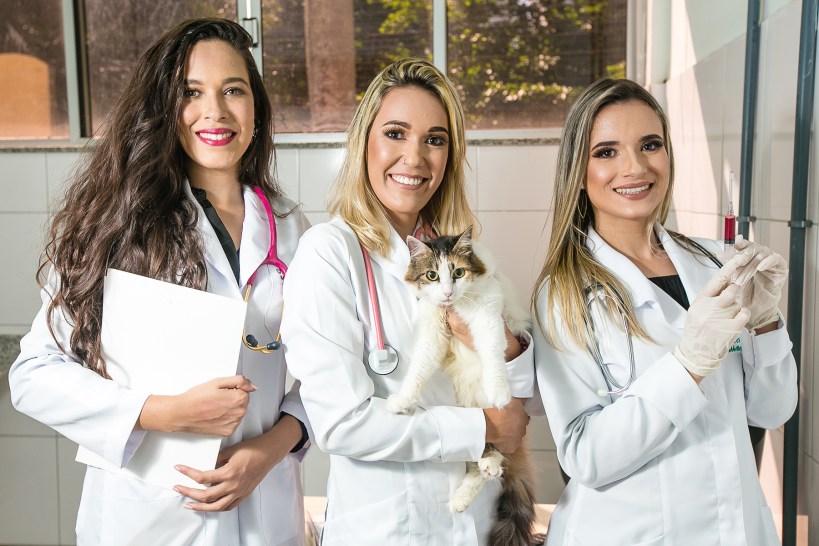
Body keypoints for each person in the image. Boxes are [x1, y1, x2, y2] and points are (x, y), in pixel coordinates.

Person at [9, 18, 310, 546]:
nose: (215, 111)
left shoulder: (290, 226)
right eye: (191, 92)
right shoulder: (116, 225)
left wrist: (269, 451)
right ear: (163, 108)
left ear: (256, 107)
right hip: (149, 518)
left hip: (265, 508)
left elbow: (326, 373)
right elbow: (34, 374)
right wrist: (161, 413)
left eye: (233, 90)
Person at [531, 77, 798, 545]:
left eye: (649, 145)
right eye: (607, 152)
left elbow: (773, 410)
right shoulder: (564, 295)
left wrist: (766, 322)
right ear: (579, 170)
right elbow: (585, 457)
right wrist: (688, 366)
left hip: (734, 529)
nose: (635, 167)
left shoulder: (717, 262)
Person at [280, 58, 534, 545]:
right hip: (389, 528)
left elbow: (527, 403)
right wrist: (483, 428)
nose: (414, 158)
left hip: (478, 520)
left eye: (434, 140)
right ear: (364, 143)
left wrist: (507, 350)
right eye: (395, 133)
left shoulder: (462, 258)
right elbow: (341, 424)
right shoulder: (329, 253)